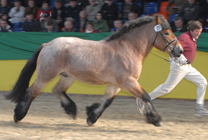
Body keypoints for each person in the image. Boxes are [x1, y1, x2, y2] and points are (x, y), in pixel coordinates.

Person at [136, 20, 208, 116]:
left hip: (187, 67)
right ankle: (144, 99)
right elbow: (174, 49)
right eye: (196, 31)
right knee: (166, 88)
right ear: (191, 30)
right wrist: (180, 59)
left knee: (202, 82)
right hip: (179, 66)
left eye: (200, 31)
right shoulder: (185, 38)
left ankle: (199, 108)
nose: (198, 33)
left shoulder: (193, 38)